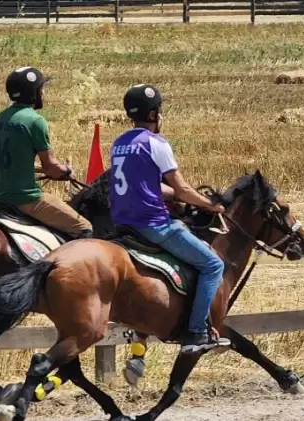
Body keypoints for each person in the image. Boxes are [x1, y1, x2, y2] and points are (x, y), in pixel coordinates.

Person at [108, 83, 229, 354]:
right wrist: (211, 205)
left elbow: (143, 184)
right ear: (153, 114)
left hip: (122, 225)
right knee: (212, 265)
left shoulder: (119, 143)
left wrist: (175, 194)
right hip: (154, 225)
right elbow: (183, 189)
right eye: (159, 110)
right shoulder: (156, 143)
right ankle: (197, 332)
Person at [0, 66, 93, 239]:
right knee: (85, 227)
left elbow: (17, 161)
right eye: (41, 89)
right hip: (26, 199)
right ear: (33, 93)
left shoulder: (1, 118)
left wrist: (41, 170)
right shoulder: (35, 121)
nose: (43, 94)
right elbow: (51, 167)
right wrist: (66, 171)